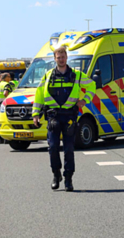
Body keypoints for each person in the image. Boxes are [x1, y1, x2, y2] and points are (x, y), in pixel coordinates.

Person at [32, 45, 94, 192]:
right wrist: (36, 114)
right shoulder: (47, 76)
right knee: (53, 147)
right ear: (55, 59)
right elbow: (39, 95)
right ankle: (56, 174)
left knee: (69, 149)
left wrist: (84, 100)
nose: (61, 59)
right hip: (53, 116)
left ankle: (68, 179)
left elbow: (91, 85)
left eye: (63, 57)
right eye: (58, 57)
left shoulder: (77, 75)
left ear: (67, 58)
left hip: (69, 116)